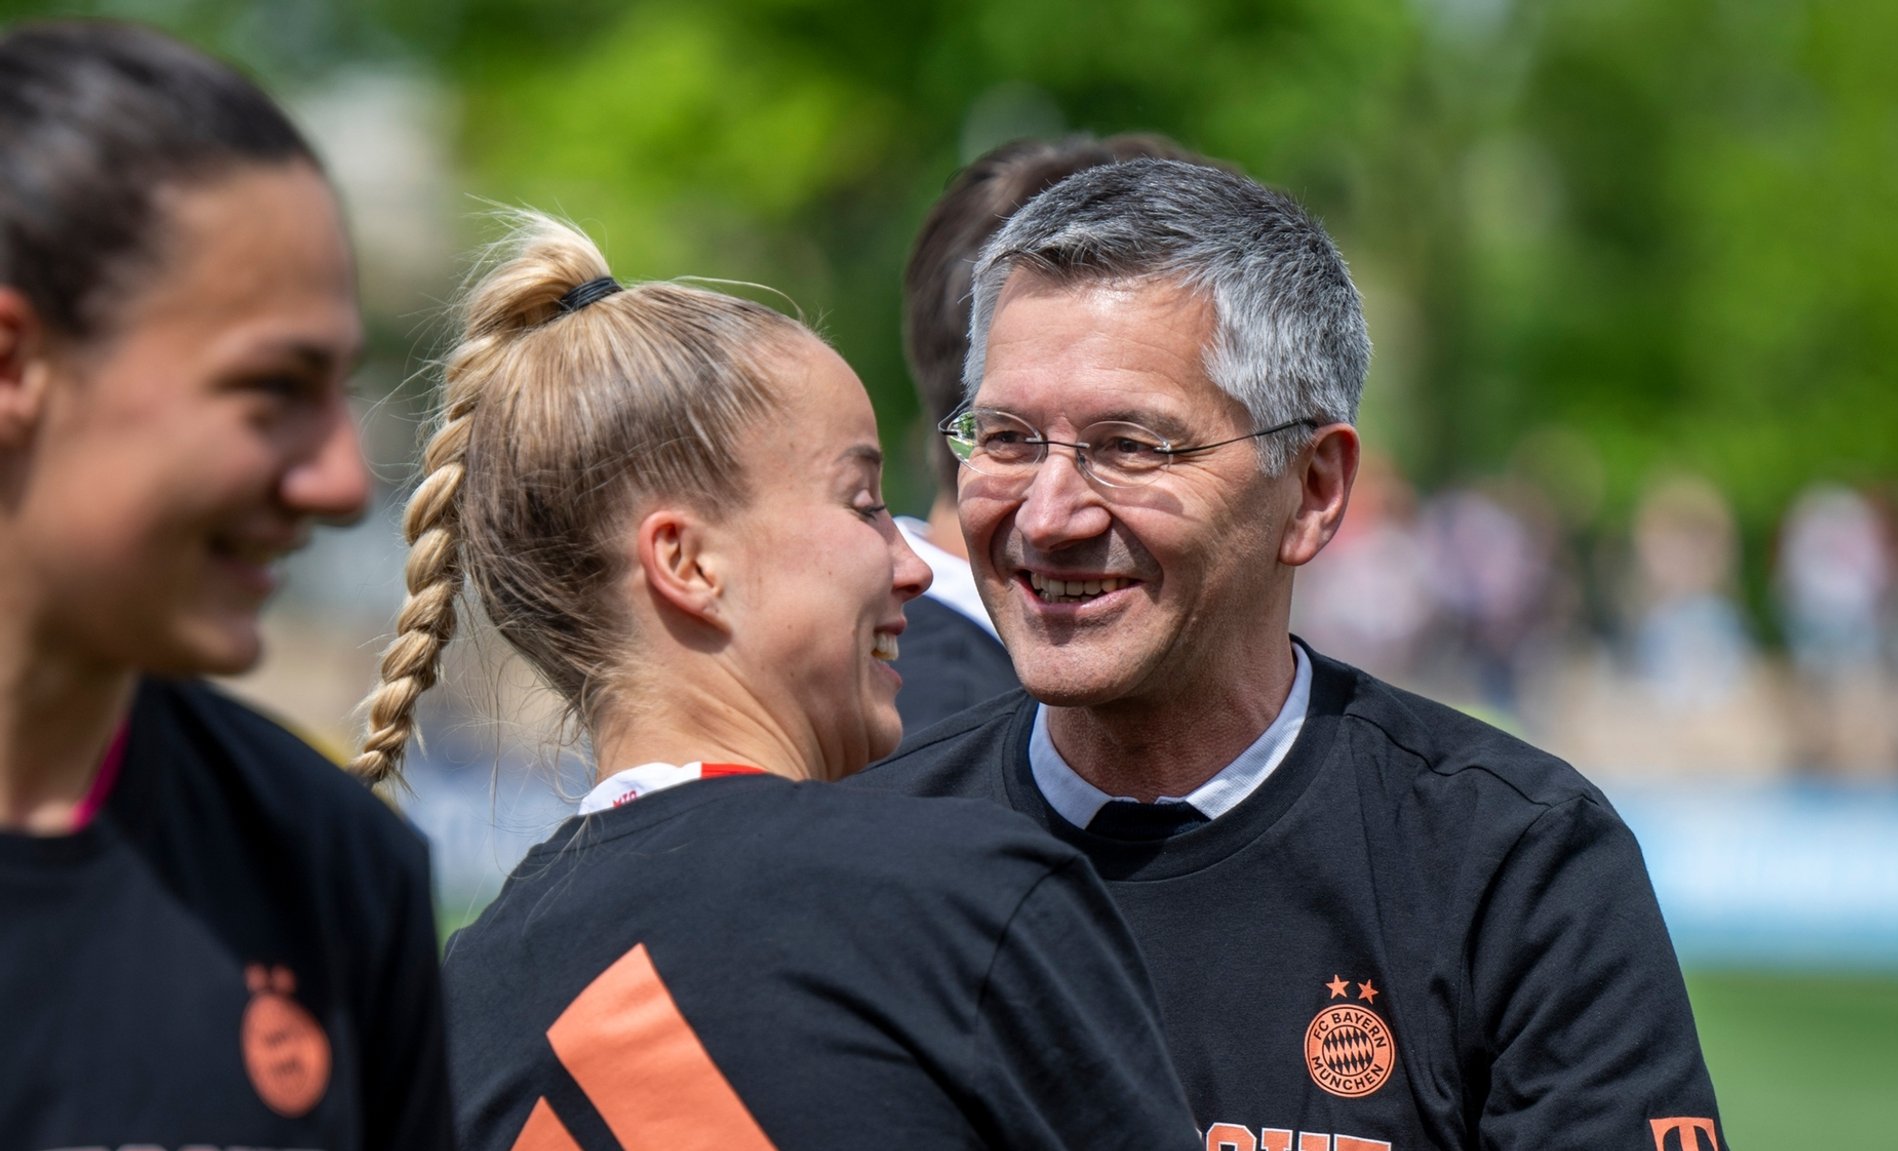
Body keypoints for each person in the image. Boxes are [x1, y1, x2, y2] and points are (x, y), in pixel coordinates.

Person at [853, 159, 1727, 1150]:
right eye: (1006, 437)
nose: (1046, 515)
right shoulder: (862, 844)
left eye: (1131, 446)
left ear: (1312, 489)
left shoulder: (1509, 864)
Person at [352, 211, 1199, 1150]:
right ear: (688, 564)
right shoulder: (961, 897)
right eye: (864, 503)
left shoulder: (458, 1010)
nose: (914, 563)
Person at [0, 20, 451, 1149]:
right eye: (270, 389)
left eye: (339, 389)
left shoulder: (332, 870)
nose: (344, 481)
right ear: (14, 365)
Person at [894, 133, 1200, 737]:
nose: (1053, 517)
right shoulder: (964, 744)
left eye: (1128, 445)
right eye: (1130, 444)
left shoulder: (825, 670)